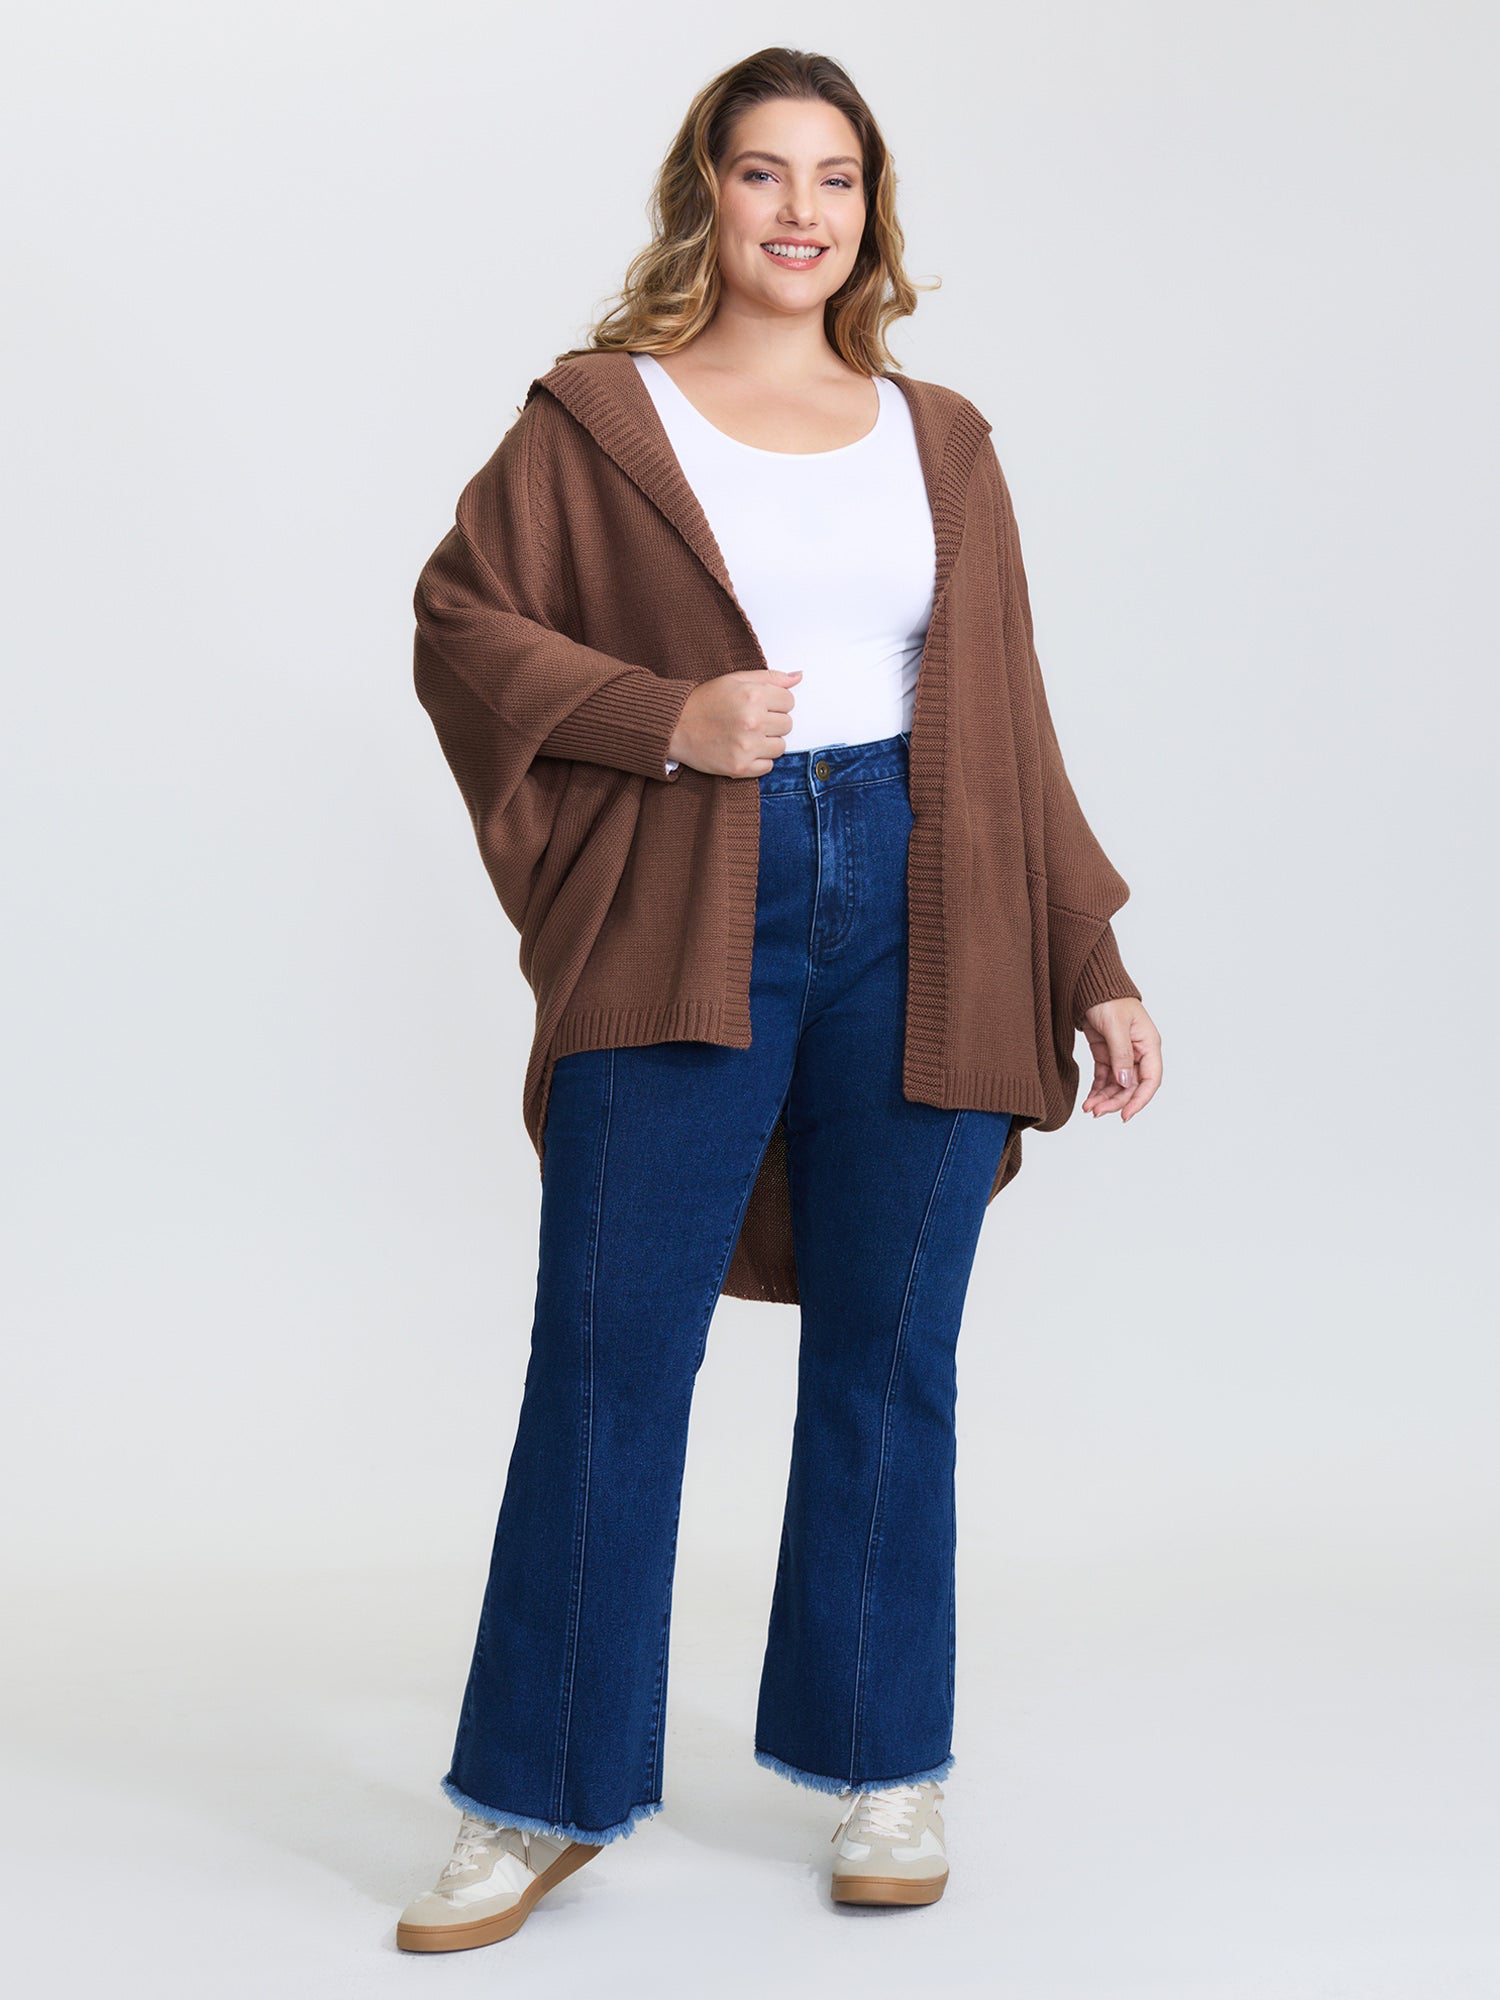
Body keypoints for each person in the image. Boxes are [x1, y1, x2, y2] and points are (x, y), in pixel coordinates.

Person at [397, 46, 1163, 1952]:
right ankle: (532, 1795)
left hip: (933, 904)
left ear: (870, 211)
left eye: (835, 178)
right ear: (708, 195)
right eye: (764, 173)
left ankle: (882, 1763)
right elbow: (461, 622)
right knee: (609, 1352)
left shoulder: (943, 440)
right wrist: (663, 719)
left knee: (894, 1357)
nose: (801, 211)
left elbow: (1010, 725)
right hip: (693, 906)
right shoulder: (600, 421)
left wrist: (1089, 957)